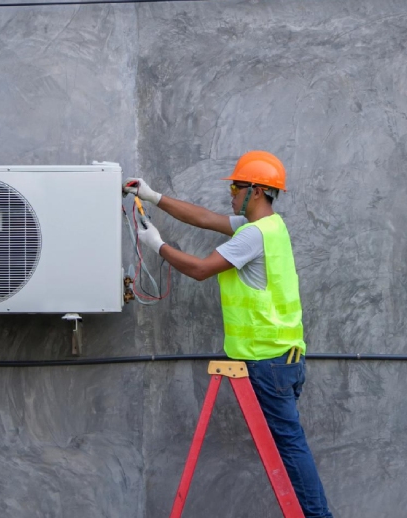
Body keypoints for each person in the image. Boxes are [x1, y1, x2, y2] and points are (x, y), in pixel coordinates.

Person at [123, 150, 333, 518]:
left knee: (291, 449)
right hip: (284, 358)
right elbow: (206, 218)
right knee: (290, 447)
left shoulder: (253, 236)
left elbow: (203, 269)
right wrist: (153, 196)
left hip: (267, 361)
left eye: (235, 187)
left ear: (255, 191)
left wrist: (157, 246)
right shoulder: (272, 226)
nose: (230, 193)